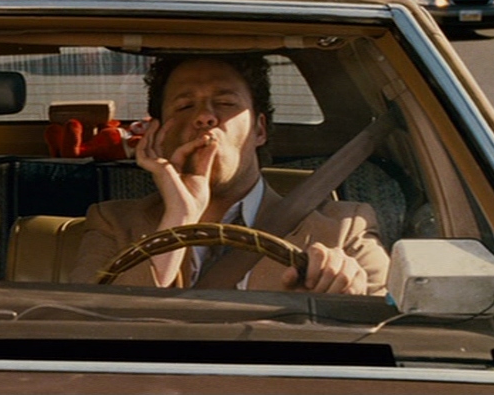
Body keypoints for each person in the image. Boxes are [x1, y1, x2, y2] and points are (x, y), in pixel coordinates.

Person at [69, 55, 390, 295]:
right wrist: (179, 217)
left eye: (225, 103)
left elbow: (392, 332)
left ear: (259, 130)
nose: (205, 117)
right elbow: (89, 327)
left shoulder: (343, 229)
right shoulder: (112, 223)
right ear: (157, 135)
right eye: (184, 106)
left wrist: (351, 294)